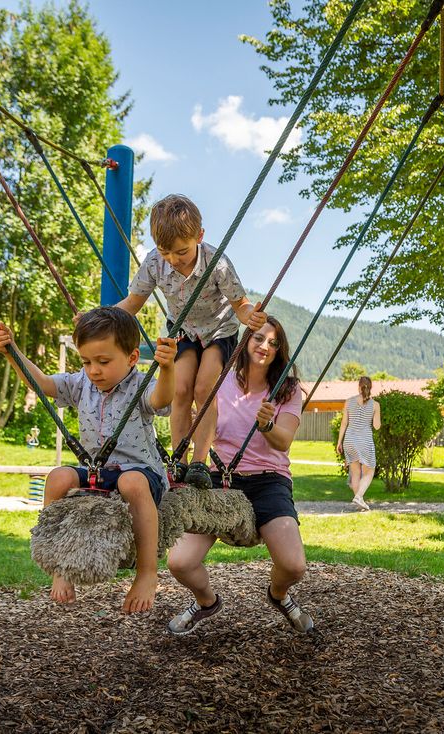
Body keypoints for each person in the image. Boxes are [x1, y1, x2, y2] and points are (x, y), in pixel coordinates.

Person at [0, 307, 177, 614]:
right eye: (86, 361)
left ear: (131, 359)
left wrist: (167, 368)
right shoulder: (81, 384)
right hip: (97, 472)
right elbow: (43, 384)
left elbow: (162, 400)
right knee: (58, 477)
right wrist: (12, 352)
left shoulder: (140, 385)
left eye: (103, 362)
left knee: (132, 482)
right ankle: (61, 566)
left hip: (140, 472)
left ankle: (146, 573)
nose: (93, 370)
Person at [165, 315, 314, 635]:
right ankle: (206, 602)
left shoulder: (287, 389)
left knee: (293, 565)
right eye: (259, 338)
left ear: (280, 350)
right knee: (179, 562)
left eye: (273, 343)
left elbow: (284, 440)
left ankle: (278, 594)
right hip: (220, 479)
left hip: (268, 480)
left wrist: (267, 426)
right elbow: (199, 427)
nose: (265, 346)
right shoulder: (219, 382)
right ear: (245, 340)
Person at [114, 194, 266, 489]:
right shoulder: (155, 263)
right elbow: (132, 304)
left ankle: (199, 462)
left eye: (181, 251)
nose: (173, 259)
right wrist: (100, 317)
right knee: (180, 389)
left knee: (203, 387)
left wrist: (251, 317)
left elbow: (240, 305)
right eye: (165, 251)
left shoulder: (217, 263)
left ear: (199, 236)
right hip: (183, 330)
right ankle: (178, 460)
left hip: (219, 330)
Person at [336, 375, 381, 511]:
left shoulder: (349, 402)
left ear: (359, 387)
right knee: (369, 471)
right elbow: (377, 426)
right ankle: (359, 496)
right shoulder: (375, 405)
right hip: (365, 440)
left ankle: (359, 502)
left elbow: (344, 423)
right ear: (370, 387)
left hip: (349, 440)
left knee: (355, 473)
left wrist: (339, 442)